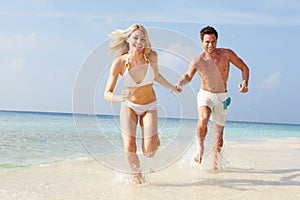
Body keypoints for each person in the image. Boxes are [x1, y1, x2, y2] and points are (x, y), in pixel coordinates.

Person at [104, 24, 180, 184]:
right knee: (129, 147)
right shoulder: (119, 63)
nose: (139, 42)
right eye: (136, 38)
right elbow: (107, 93)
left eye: (143, 39)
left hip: (149, 106)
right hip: (128, 106)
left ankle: (154, 139)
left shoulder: (151, 56)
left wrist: (173, 87)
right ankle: (138, 179)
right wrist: (119, 98)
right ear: (128, 39)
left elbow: (157, 76)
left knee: (149, 152)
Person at [176, 26, 250, 171]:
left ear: (217, 41)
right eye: (207, 42)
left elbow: (244, 67)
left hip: (222, 97)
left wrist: (245, 82)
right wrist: (179, 84)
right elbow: (188, 76)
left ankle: (216, 166)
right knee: (203, 118)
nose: (211, 45)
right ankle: (200, 146)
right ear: (202, 42)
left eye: (213, 42)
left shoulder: (226, 54)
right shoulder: (198, 60)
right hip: (206, 95)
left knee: (219, 137)